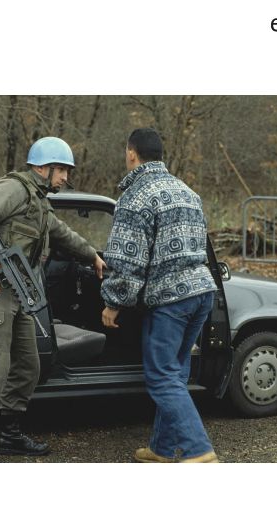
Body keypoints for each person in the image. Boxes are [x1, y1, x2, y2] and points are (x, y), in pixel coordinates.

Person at [0, 136, 106, 463]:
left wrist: (92, 255)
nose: (66, 176)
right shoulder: (13, 190)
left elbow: (61, 232)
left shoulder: (38, 201)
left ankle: (9, 434)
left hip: (18, 292)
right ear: (43, 166)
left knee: (27, 365)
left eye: (67, 170)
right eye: (62, 169)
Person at [101, 128, 219, 463]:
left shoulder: (136, 198)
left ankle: (198, 450)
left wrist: (113, 302)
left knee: (161, 377)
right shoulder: (187, 192)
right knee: (175, 373)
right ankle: (164, 448)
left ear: (131, 153)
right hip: (202, 293)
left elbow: (127, 259)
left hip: (170, 300)